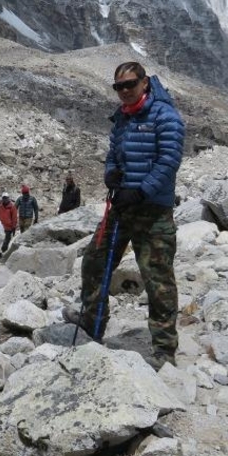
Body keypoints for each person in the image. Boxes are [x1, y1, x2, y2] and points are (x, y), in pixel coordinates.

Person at [72, 60, 184, 369]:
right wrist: (111, 174)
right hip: (121, 207)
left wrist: (141, 190)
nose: (124, 91)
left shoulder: (165, 116)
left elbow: (169, 159)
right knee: (94, 261)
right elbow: (113, 155)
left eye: (129, 85)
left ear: (145, 83)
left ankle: (164, 349)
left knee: (158, 279)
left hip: (153, 211)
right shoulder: (121, 118)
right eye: (118, 87)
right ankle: (91, 324)